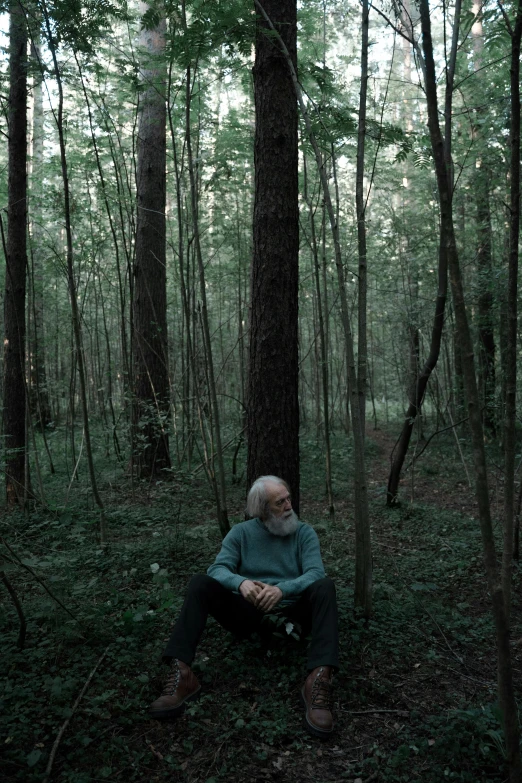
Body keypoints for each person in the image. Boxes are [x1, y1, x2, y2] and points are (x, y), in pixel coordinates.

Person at [149, 475, 339, 737]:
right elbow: (217, 569)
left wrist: (283, 589)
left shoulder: (304, 533)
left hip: (294, 612)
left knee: (325, 586)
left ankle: (319, 679)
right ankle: (182, 674)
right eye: (279, 502)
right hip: (248, 613)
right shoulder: (240, 533)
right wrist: (240, 584)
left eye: (288, 498)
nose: (288, 505)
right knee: (200, 584)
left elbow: (316, 573)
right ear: (263, 509)